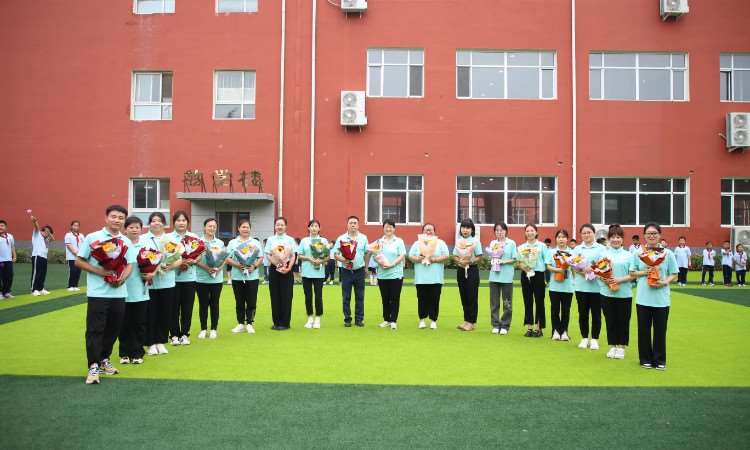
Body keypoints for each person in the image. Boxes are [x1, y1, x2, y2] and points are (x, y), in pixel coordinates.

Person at [75, 205, 136, 385]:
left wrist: (122, 279)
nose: (117, 220)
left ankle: (104, 359)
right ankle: (93, 365)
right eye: (113, 216)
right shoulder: (93, 238)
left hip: (119, 293)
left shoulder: (126, 241)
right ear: (106, 218)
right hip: (98, 293)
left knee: (113, 329)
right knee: (95, 330)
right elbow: (79, 261)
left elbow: (130, 264)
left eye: (121, 218)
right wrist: (100, 272)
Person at [630, 222, 678, 370]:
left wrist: (664, 282)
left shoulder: (667, 253)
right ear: (644, 235)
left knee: (660, 331)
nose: (651, 236)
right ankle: (645, 358)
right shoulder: (638, 253)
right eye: (649, 233)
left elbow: (674, 274)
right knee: (643, 330)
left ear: (659, 235)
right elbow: (632, 272)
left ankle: (659, 360)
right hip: (643, 298)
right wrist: (646, 271)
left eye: (654, 233)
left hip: (661, 299)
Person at [143, 212, 181, 356]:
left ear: (164, 224)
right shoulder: (143, 239)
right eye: (153, 220)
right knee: (150, 313)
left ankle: (161, 341)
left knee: (165, 313)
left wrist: (170, 267)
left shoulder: (170, 239)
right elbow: (141, 258)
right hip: (150, 283)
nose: (156, 223)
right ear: (149, 223)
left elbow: (179, 258)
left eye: (159, 220)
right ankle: (150, 343)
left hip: (167, 282)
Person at [119, 216, 153, 365]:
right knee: (124, 324)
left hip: (141, 290)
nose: (134, 230)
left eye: (137, 227)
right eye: (131, 227)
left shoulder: (146, 245)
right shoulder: (120, 244)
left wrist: (152, 273)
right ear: (125, 229)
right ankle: (124, 353)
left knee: (139, 323)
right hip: (122, 290)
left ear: (141, 229)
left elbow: (156, 262)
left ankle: (138, 352)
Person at [599, 224, 635, 360]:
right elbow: (599, 272)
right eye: (613, 237)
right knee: (610, 320)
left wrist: (618, 280)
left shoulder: (629, 255)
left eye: (618, 237)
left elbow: (632, 275)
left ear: (622, 239)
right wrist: (605, 279)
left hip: (624, 294)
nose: (615, 239)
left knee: (623, 321)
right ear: (609, 239)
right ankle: (612, 346)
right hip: (606, 293)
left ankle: (621, 347)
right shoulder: (604, 254)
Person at [408, 223, 449, 329]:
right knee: (422, 299)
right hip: (421, 278)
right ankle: (422, 320)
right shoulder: (417, 243)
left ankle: (433, 320)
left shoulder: (440, 243)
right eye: (426, 230)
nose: (428, 232)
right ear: (422, 232)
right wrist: (418, 258)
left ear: (434, 232)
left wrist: (434, 259)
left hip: (436, 278)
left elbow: (446, 256)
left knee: (434, 300)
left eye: (430, 230)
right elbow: (410, 256)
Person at [572, 223, 605, 350]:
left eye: (589, 232)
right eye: (584, 233)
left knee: (596, 314)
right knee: (583, 314)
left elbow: (604, 265)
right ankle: (584, 338)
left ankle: (595, 339)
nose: (586, 235)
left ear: (594, 233)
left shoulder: (602, 249)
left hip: (597, 288)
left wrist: (593, 270)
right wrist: (584, 271)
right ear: (581, 235)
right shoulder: (577, 249)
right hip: (581, 287)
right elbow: (574, 267)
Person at [226, 219, 263, 334]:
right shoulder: (233, 243)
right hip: (237, 277)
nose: (245, 229)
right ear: (238, 228)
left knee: (251, 302)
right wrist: (238, 265)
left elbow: (260, 257)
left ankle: (250, 323)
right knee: (239, 301)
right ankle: (241, 323)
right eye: (243, 227)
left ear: (250, 229)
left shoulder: (255, 242)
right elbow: (227, 258)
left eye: (247, 227)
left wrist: (254, 266)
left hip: (252, 277)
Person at [170, 211, 201, 345]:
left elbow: (200, 254)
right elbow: (166, 256)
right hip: (172, 279)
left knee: (187, 308)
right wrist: (179, 263)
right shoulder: (168, 238)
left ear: (187, 222)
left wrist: (193, 261)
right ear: (174, 222)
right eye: (178, 220)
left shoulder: (193, 237)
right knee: (173, 308)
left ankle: (184, 334)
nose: (181, 223)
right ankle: (174, 335)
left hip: (189, 278)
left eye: (183, 220)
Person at [334, 216, 369, 327]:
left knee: (360, 296)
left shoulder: (363, 238)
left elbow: (367, 253)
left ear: (358, 225)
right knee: (346, 296)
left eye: (355, 223)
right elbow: (335, 254)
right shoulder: (341, 238)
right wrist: (344, 260)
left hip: (359, 270)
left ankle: (359, 319)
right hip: (346, 271)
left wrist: (366, 267)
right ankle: (347, 319)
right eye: (351, 223)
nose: (353, 225)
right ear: (347, 225)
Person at [195, 218, 225, 339]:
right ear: (204, 227)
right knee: (203, 304)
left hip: (216, 279)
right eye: (209, 226)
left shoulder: (220, 243)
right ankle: (203, 329)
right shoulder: (198, 242)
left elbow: (224, 259)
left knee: (214, 304)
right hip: (201, 279)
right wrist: (207, 268)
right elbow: (195, 260)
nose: (212, 228)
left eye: (214, 227)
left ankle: (213, 329)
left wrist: (218, 269)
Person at [517, 223, 549, 338]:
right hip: (526, 275)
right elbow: (518, 262)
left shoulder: (542, 246)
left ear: (536, 232)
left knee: (539, 301)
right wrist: (525, 268)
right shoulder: (521, 247)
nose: (530, 233)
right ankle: (529, 327)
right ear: (525, 233)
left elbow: (547, 261)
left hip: (538, 275)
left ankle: (538, 328)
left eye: (532, 230)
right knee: (527, 301)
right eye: (527, 231)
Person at [265, 217, 297, 330]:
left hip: (287, 270)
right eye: (277, 225)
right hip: (274, 269)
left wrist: (289, 267)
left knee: (287, 296)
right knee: (275, 296)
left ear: (285, 226)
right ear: (275, 226)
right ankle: (276, 322)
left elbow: (293, 255)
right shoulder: (270, 240)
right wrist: (277, 264)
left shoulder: (290, 240)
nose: (279, 227)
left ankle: (285, 323)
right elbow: (268, 254)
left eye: (282, 225)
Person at [374, 220, 406, 331]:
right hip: (382, 275)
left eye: (391, 227)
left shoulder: (399, 241)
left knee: (395, 298)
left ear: (394, 229)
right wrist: (380, 263)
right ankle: (386, 319)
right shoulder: (379, 242)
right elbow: (375, 256)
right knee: (385, 298)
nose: (388, 229)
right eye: (386, 227)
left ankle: (393, 321)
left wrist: (392, 264)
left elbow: (402, 255)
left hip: (396, 275)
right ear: (383, 228)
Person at [486, 223, 517, 335]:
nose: (499, 232)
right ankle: (495, 324)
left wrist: (503, 261)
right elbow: (491, 256)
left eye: (502, 230)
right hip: (494, 276)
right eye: (497, 230)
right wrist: (493, 260)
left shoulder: (511, 243)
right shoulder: (493, 243)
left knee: (507, 302)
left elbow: (514, 259)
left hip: (507, 277)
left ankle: (505, 325)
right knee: (494, 302)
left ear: (506, 231)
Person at [298, 219, 328, 329]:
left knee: (318, 296)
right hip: (306, 273)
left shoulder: (323, 241)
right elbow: (299, 255)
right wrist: (309, 258)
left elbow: (327, 257)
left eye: (316, 226)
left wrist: (321, 260)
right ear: (308, 228)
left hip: (319, 273)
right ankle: (310, 317)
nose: (314, 228)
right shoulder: (304, 241)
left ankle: (318, 318)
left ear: (319, 228)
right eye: (312, 226)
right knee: (308, 296)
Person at [453, 218, 482, 331]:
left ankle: (471, 322)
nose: (465, 230)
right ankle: (466, 320)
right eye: (463, 227)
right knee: (463, 296)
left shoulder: (475, 241)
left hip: (472, 270)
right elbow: (455, 256)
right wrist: (459, 261)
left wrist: (469, 261)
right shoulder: (458, 241)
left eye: (468, 228)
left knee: (471, 296)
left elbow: (479, 257)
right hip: (461, 270)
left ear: (472, 230)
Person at [545, 229, 573, 341]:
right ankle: (556, 331)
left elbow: (575, 268)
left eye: (563, 237)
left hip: (568, 286)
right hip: (554, 286)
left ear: (567, 239)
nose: (561, 239)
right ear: (556, 239)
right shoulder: (551, 252)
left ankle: (564, 331)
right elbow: (548, 266)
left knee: (566, 310)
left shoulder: (572, 252)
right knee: (555, 310)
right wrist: (559, 270)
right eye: (559, 237)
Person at [30, 214, 53, 296]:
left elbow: (53, 239)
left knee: (43, 273)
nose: (46, 233)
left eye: (48, 232)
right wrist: (35, 221)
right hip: (37, 256)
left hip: (44, 257)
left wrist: (49, 233)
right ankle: (34, 289)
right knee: (36, 273)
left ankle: (40, 288)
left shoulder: (45, 239)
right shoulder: (37, 234)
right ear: (42, 231)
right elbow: (37, 227)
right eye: (45, 231)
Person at [64, 220, 85, 291]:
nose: (76, 227)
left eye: (77, 225)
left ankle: (75, 285)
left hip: (79, 258)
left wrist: (82, 254)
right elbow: (69, 245)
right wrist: (76, 253)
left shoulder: (81, 235)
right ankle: (70, 286)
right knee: (73, 271)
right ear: (71, 226)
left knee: (78, 272)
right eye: (74, 225)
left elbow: (84, 245)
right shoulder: (68, 235)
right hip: (71, 257)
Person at [0, 220, 17, 299]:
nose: (0, 227)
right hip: (0, 260)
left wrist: (14, 256)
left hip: (8, 260)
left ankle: (6, 292)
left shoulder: (10, 236)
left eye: (2, 225)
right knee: (1, 277)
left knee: (9, 277)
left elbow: (12, 247)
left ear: (6, 227)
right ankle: (0, 293)